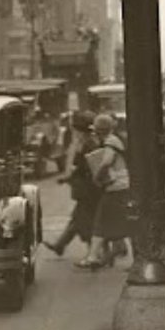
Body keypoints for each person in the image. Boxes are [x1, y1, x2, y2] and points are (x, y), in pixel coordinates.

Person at [77, 112, 130, 270]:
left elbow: (106, 161)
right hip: (121, 186)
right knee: (114, 221)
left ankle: (93, 256)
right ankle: (111, 250)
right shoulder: (113, 139)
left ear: (100, 130)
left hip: (116, 187)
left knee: (101, 222)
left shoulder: (110, 142)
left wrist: (98, 177)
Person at [44, 111, 101, 258]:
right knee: (79, 218)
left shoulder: (89, 145)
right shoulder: (88, 143)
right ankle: (61, 245)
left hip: (88, 189)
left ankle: (94, 254)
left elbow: (85, 167)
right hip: (87, 189)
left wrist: (70, 176)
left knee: (84, 221)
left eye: (76, 129)